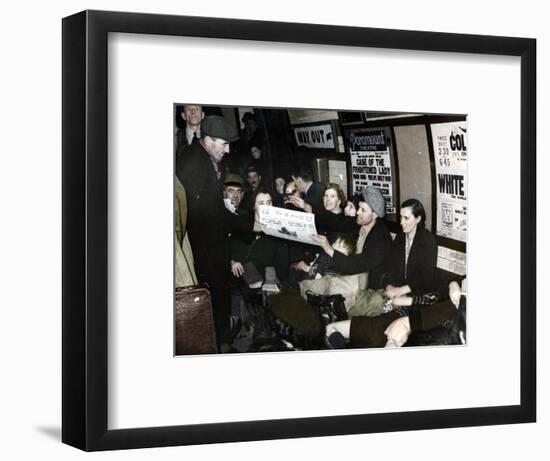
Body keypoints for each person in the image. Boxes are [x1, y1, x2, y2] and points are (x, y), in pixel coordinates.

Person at [176, 115, 250, 350]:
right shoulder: (193, 166)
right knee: (214, 306)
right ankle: (220, 347)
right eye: (224, 143)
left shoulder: (199, 157)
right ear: (207, 140)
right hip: (206, 254)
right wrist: (249, 224)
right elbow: (208, 216)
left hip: (211, 249)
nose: (228, 150)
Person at [311, 186, 391, 289]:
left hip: (367, 285)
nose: (358, 212)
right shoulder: (360, 223)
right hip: (351, 276)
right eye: (359, 208)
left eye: (363, 210)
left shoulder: (380, 237)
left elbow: (359, 266)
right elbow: (335, 221)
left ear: (375, 214)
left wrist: (330, 250)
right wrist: (309, 211)